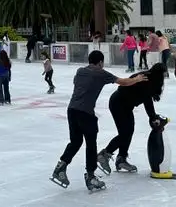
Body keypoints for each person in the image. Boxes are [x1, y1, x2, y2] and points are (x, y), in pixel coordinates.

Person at [51, 50, 148, 192]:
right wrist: (137, 79)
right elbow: (123, 82)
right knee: (91, 145)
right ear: (101, 62)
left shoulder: (80, 71)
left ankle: (61, 167)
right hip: (86, 113)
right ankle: (91, 177)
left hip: (72, 110)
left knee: (76, 142)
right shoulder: (101, 73)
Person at [97, 63, 165, 175]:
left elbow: (147, 99)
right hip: (118, 104)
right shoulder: (145, 79)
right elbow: (147, 101)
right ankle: (104, 154)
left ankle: (121, 159)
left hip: (124, 105)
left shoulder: (149, 78)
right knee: (125, 133)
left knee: (128, 132)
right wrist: (153, 117)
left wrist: (152, 117)